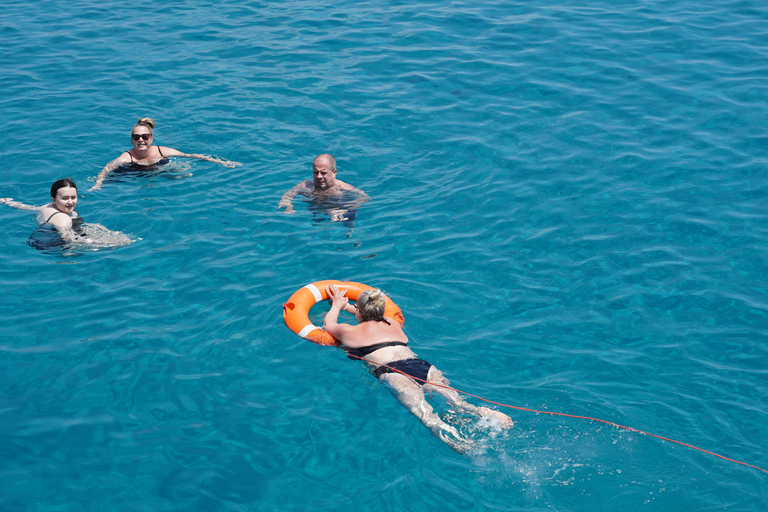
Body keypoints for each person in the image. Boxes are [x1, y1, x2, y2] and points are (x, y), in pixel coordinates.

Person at [323, 284, 513, 453]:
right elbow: (368, 315)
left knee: (428, 418)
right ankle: (488, 414)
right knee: (459, 404)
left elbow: (328, 324)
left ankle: (464, 445)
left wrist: (336, 306)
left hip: (394, 373)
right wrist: (349, 305)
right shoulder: (393, 323)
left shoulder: (349, 331)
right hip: (422, 366)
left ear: (358, 311)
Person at [89, 117, 240, 191]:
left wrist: (221, 162)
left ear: (151, 138)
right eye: (136, 137)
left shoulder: (162, 151)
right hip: (133, 172)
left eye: (145, 136)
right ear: (132, 140)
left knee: (184, 171)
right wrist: (98, 184)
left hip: (159, 169)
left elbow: (193, 156)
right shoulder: (127, 157)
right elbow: (106, 169)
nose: (141, 140)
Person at [1, 178, 131, 246]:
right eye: (65, 198)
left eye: (73, 197)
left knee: (94, 226)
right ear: (54, 199)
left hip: (39, 238)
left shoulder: (46, 207)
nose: (70, 202)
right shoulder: (63, 219)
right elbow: (71, 240)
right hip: (51, 245)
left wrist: (8, 202)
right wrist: (107, 243)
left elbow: (27, 207)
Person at [277, 154, 369, 216]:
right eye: (316, 172)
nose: (319, 176)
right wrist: (287, 203)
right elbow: (289, 194)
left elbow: (365, 199)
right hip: (315, 212)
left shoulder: (343, 188)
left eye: (323, 173)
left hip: (337, 214)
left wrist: (345, 209)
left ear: (334, 172)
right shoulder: (306, 185)